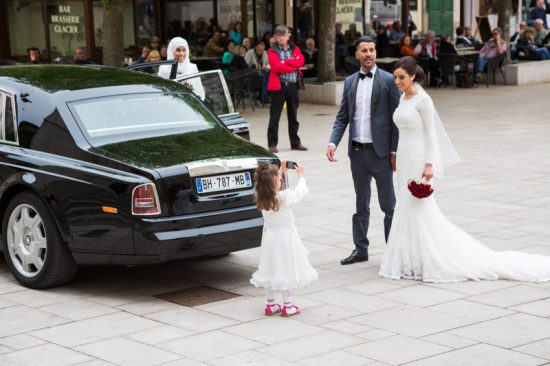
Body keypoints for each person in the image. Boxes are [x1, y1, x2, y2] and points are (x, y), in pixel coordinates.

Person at [379, 56, 550, 283]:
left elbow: (431, 135)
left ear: (412, 76)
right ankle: (409, 258)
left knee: (420, 209)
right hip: (404, 158)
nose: (397, 82)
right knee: (404, 207)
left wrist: (429, 164)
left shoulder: (423, 100)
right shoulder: (403, 98)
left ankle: (431, 258)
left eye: (401, 77)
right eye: (395, 78)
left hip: (419, 159)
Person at [327, 36, 400, 265]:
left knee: (389, 206)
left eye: (371, 50)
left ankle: (393, 251)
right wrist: (332, 142)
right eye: (364, 51)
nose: (368, 54)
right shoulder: (349, 82)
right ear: (357, 54)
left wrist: (395, 152)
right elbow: (342, 117)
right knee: (361, 204)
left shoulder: (389, 80)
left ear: (375, 53)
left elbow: (397, 119)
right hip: (357, 153)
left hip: (381, 154)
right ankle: (360, 249)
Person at [250, 161, 318, 317]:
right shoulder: (284, 197)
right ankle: (287, 305)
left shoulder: (260, 196)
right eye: (278, 178)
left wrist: (280, 170)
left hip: (269, 238)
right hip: (285, 238)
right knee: (286, 268)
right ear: (275, 181)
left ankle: (271, 304)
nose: (280, 180)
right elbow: (301, 192)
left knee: (270, 267)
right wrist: (301, 175)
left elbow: (269, 182)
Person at [267, 24, 308, 153]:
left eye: (283, 35)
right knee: (275, 116)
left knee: (293, 116)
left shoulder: (294, 48)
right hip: (278, 87)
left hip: (292, 85)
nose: (281, 38)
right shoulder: (272, 51)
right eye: (278, 35)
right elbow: (277, 67)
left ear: (288, 36)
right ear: (275, 37)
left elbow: (301, 61)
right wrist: (292, 64)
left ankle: (295, 143)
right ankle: (272, 144)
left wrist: (287, 62)